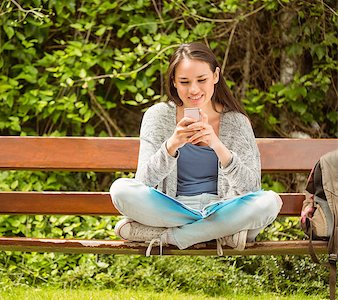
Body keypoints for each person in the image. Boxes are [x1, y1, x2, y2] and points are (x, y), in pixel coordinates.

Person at [109, 42, 282, 256]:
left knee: (270, 202)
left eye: (202, 80)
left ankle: (173, 237)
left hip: (223, 209)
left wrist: (218, 146)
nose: (193, 90)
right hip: (173, 207)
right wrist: (171, 145)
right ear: (174, 82)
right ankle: (218, 232)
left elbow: (251, 187)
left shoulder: (237, 122)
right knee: (120, 190)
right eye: (184, 82)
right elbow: (143, 181)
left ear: (216, 76)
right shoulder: (158, 116)